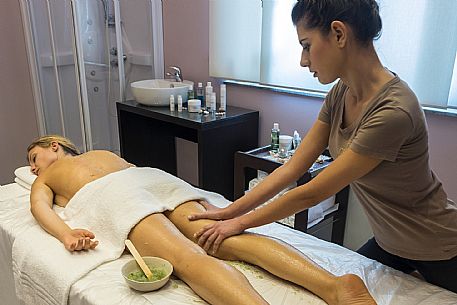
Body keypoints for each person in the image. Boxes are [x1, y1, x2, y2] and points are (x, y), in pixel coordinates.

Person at [189, 0, 457, 293]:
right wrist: (229, 212)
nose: (303, 61)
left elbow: (313, 192)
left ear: (339, 34)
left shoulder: (394, 111)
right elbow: (294, 167)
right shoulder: (341, 92)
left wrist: (239, 224)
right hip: (391, 242)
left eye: (306, 45)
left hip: (438, 245)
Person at [27, 135, 376, 305]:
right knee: (222, 237)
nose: (32, 167)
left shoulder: (50, 177)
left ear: (55, 145)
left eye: (34, 156)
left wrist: (65, 231)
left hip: (119, 194)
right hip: (151, 180)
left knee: (187, 258)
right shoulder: (102, 152)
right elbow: (131, 171)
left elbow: (41, 208)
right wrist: (67, 230)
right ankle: (335, 285)